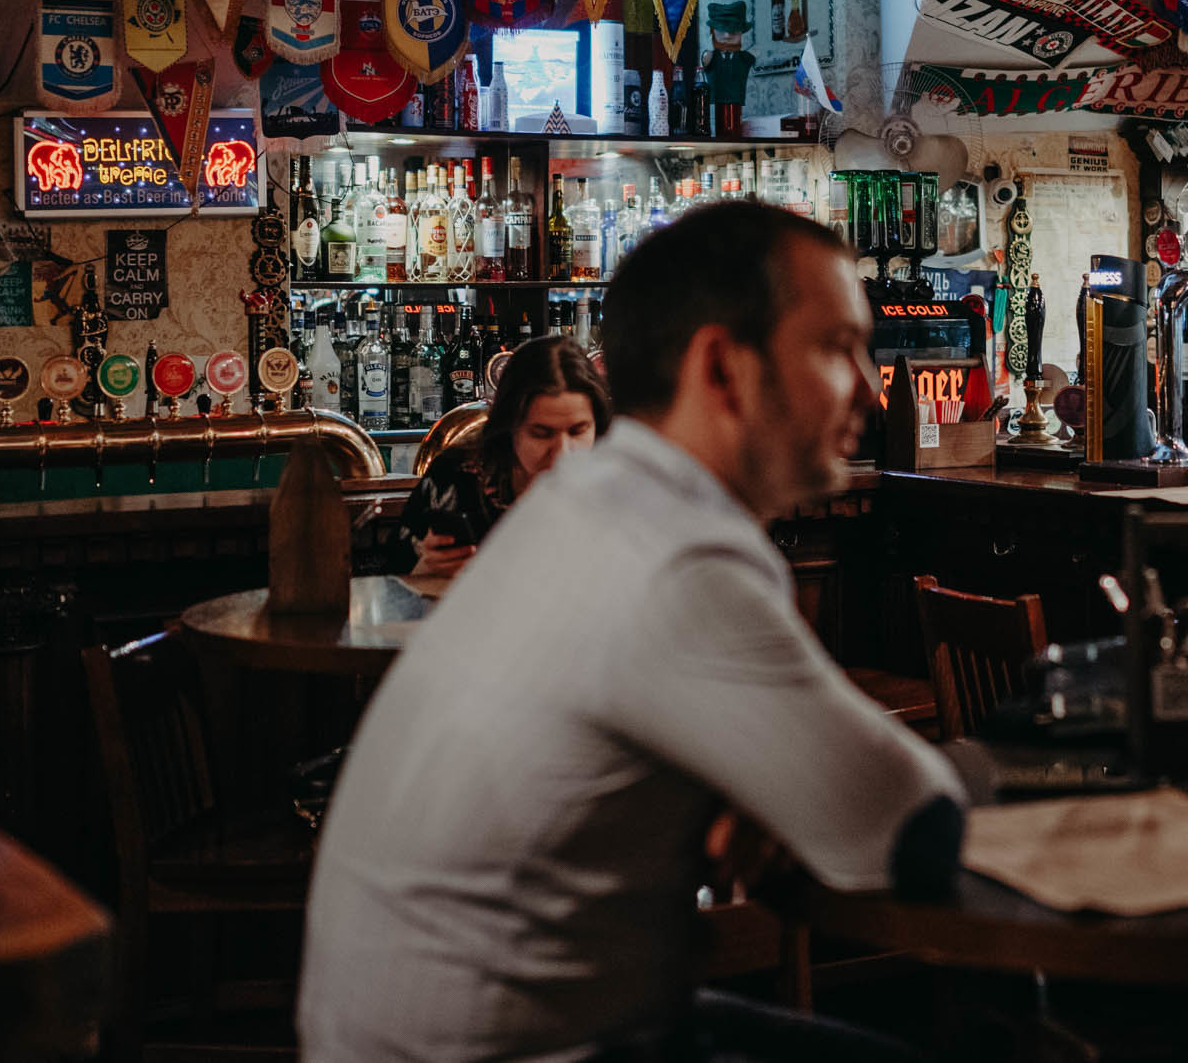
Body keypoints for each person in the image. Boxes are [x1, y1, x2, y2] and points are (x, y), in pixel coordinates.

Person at [301, 201, 967, 1063]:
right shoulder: (679, 552)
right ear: (724, 366)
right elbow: (903, 829)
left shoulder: (590, 505)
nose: (872, 385)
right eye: (836, 347)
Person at [413, 333, 609, 582]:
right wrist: (428, 568)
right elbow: (387, 593)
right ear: (509, 428)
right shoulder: (457, 477)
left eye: (577, 431)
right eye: (541, 433)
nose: (561, 453)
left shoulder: (615, 484)